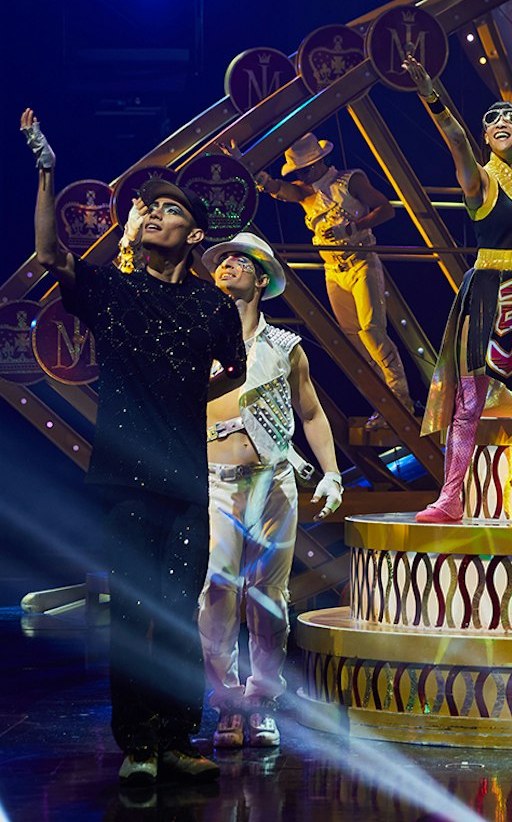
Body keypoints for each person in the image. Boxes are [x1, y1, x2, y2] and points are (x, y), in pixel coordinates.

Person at [21, 109, 245, 787]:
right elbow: (49, 255)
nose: (152, 216)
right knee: (133, 612)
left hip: (182, 478)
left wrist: (182, 400)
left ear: (194, 232)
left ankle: (178, 737)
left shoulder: (211, 308)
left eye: (168, 210)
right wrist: (46, 168)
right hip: (123, 479)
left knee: (180, 613)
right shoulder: (115, 291)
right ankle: (138, 744)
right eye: (148, 208)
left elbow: (233, 370)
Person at [401, 55, 512, 527]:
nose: (501, 122)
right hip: (488, 292)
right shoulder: (478, 180)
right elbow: (456, 139)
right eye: (492, 119)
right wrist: (430, 92)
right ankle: (450, 497)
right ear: (485, 137)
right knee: (469, 401)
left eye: (511, 118)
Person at [198, 232, 343, 749]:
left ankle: (261, 702)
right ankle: (227, 705)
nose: (228, 264)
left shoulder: (285, 347)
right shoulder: (195, 339)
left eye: (242, 260)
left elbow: (310, 412)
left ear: (262, 280)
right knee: (219, 591)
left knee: (268, 598)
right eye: (222, 260)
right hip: (217, 483)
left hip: (274, 483)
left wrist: (331, 471)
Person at [255, 133, 415, 429]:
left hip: (362, 262)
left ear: (317, 162)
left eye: (304, 169)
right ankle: (383, 406)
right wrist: (248, 167)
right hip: (334, 271)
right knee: (354, 341)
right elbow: (278, 189)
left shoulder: (349, 180)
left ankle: (401, 398)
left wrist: (353, 227)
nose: (301, 175)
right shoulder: (305, 192)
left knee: (372, 331)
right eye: (298, 172)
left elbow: (386, 209)